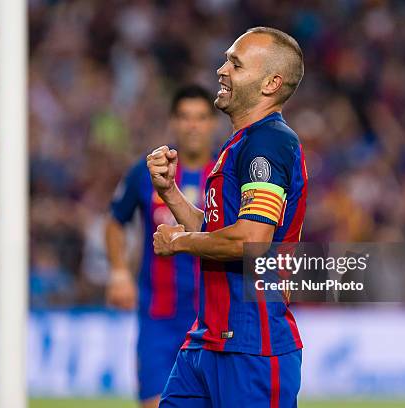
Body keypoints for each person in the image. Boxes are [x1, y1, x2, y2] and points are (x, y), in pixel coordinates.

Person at [147, 27, 306, 407]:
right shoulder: (241, 144)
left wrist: (178, 242)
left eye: (235, 63)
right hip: (208, 339)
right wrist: (171, 193)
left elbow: (249, 240)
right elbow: (217, 232)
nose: (222, 69)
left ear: (271, 83)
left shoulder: (268, 143)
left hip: (251, 346)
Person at [105, 85, 218, 408]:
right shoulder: (148, 172)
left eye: (200, 117)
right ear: (173, 122)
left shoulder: (226, 174)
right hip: (159, 316)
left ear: (212, 123)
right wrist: (118, 272)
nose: (193, 125)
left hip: (212, 316)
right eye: (185, 117)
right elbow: (115, 221)